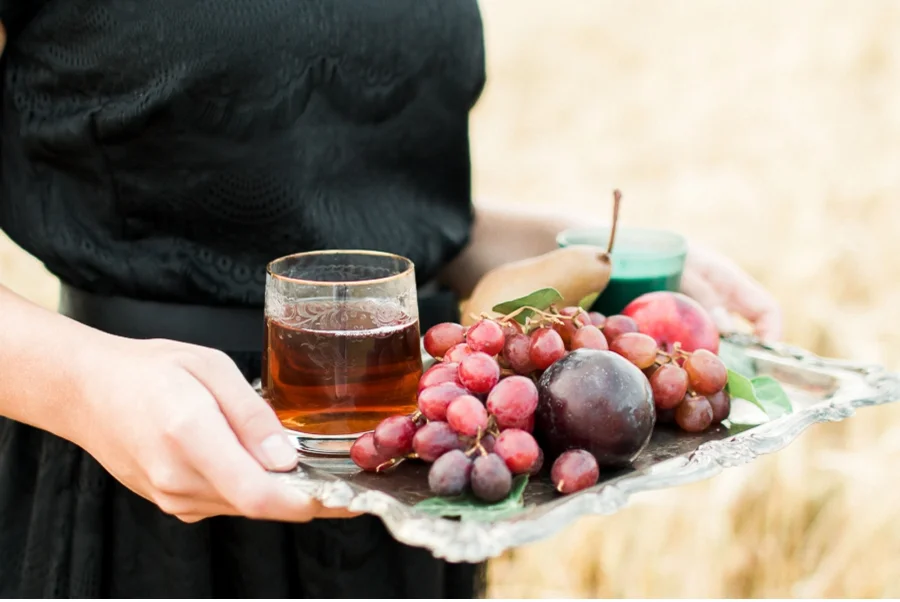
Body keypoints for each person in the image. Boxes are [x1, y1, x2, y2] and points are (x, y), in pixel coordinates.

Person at [0, 2, 782, 598]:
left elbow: (375, 210)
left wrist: (588, 259)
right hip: (140, 482)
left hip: (418, 469)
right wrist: (80, 383)